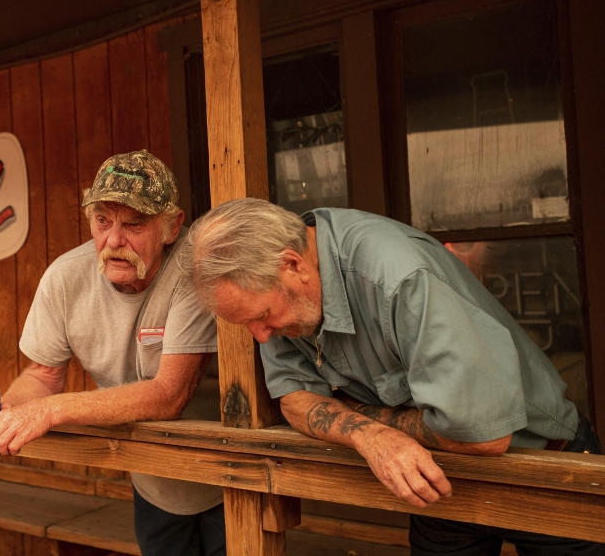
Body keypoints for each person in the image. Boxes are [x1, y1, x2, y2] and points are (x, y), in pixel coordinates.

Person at [184, 197, 603, 556]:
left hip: (546, 465)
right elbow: (294, 399)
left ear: (293, 265)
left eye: (262, 317)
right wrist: (370, 436)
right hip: (437, 478)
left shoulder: (398, 274)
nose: (261, 336)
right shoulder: (276, 290)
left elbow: (484, 437)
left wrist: (362, 416)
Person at [0, 149, 225, 556]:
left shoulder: (193, 269)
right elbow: (43, 375)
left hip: (232, 475)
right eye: (102, 221)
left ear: (172, 227)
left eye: (134, 224)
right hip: (153, 478)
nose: (114, 240)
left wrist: (49, 412)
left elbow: (170, 394)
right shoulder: (66, 276)